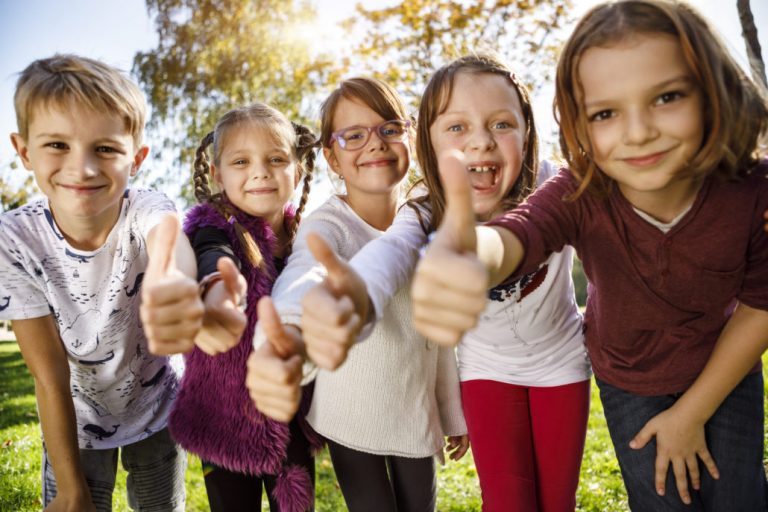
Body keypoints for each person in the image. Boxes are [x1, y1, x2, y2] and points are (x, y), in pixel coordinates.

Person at [412, 1, 768, 510]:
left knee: (739, 499)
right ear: (579, 123)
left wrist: (692, 412)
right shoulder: (582, 190)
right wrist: (472, 253)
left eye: (666, 97)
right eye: (606, 113)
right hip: (630, 378)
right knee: (661, 499)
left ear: (714, 91)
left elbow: (761, 301)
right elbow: (522, 233)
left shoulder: (751, 191)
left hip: (724, 365)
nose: (638, 131)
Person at [282, 54, 592, 511]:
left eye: (502, 124)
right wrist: (347, 300)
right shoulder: (423, 211)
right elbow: (378, 259)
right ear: (430, 136)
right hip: (475, 378)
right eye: (457, 127)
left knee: (557, 501)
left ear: (528, 129)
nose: (481, 142)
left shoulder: (555, 186)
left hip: (557, 365)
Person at [247, 77, 468, 512]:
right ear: (331, 157)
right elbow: (303, 277)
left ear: (410, 136)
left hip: (414, 412)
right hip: (349, 415)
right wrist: (286, 336)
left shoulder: (427, 215)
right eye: (354, 135)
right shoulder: (327, 226)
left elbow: (436, 335)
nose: (375, 144)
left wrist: (451, 410)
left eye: (389, 128)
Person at [0, 54, 199, 511]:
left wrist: (172, 280)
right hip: (76, 423)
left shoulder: (144, 204)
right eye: (57, 145)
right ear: (24, 150)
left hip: (157, 412)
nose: (83, 168)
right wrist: (71, 489)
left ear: (137, 159)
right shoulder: (14, 240)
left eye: (105, 149)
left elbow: (166, 234)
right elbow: (48, 377)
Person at [165, 103, 322, 512]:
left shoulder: (310, 237)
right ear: (218, 174)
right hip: (223, 416)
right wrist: (217, 290)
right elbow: (212, 258)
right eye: (241, 161)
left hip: (292, 416)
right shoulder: (212, 228)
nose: (260, 171)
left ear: (298, 169)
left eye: (276, 159)